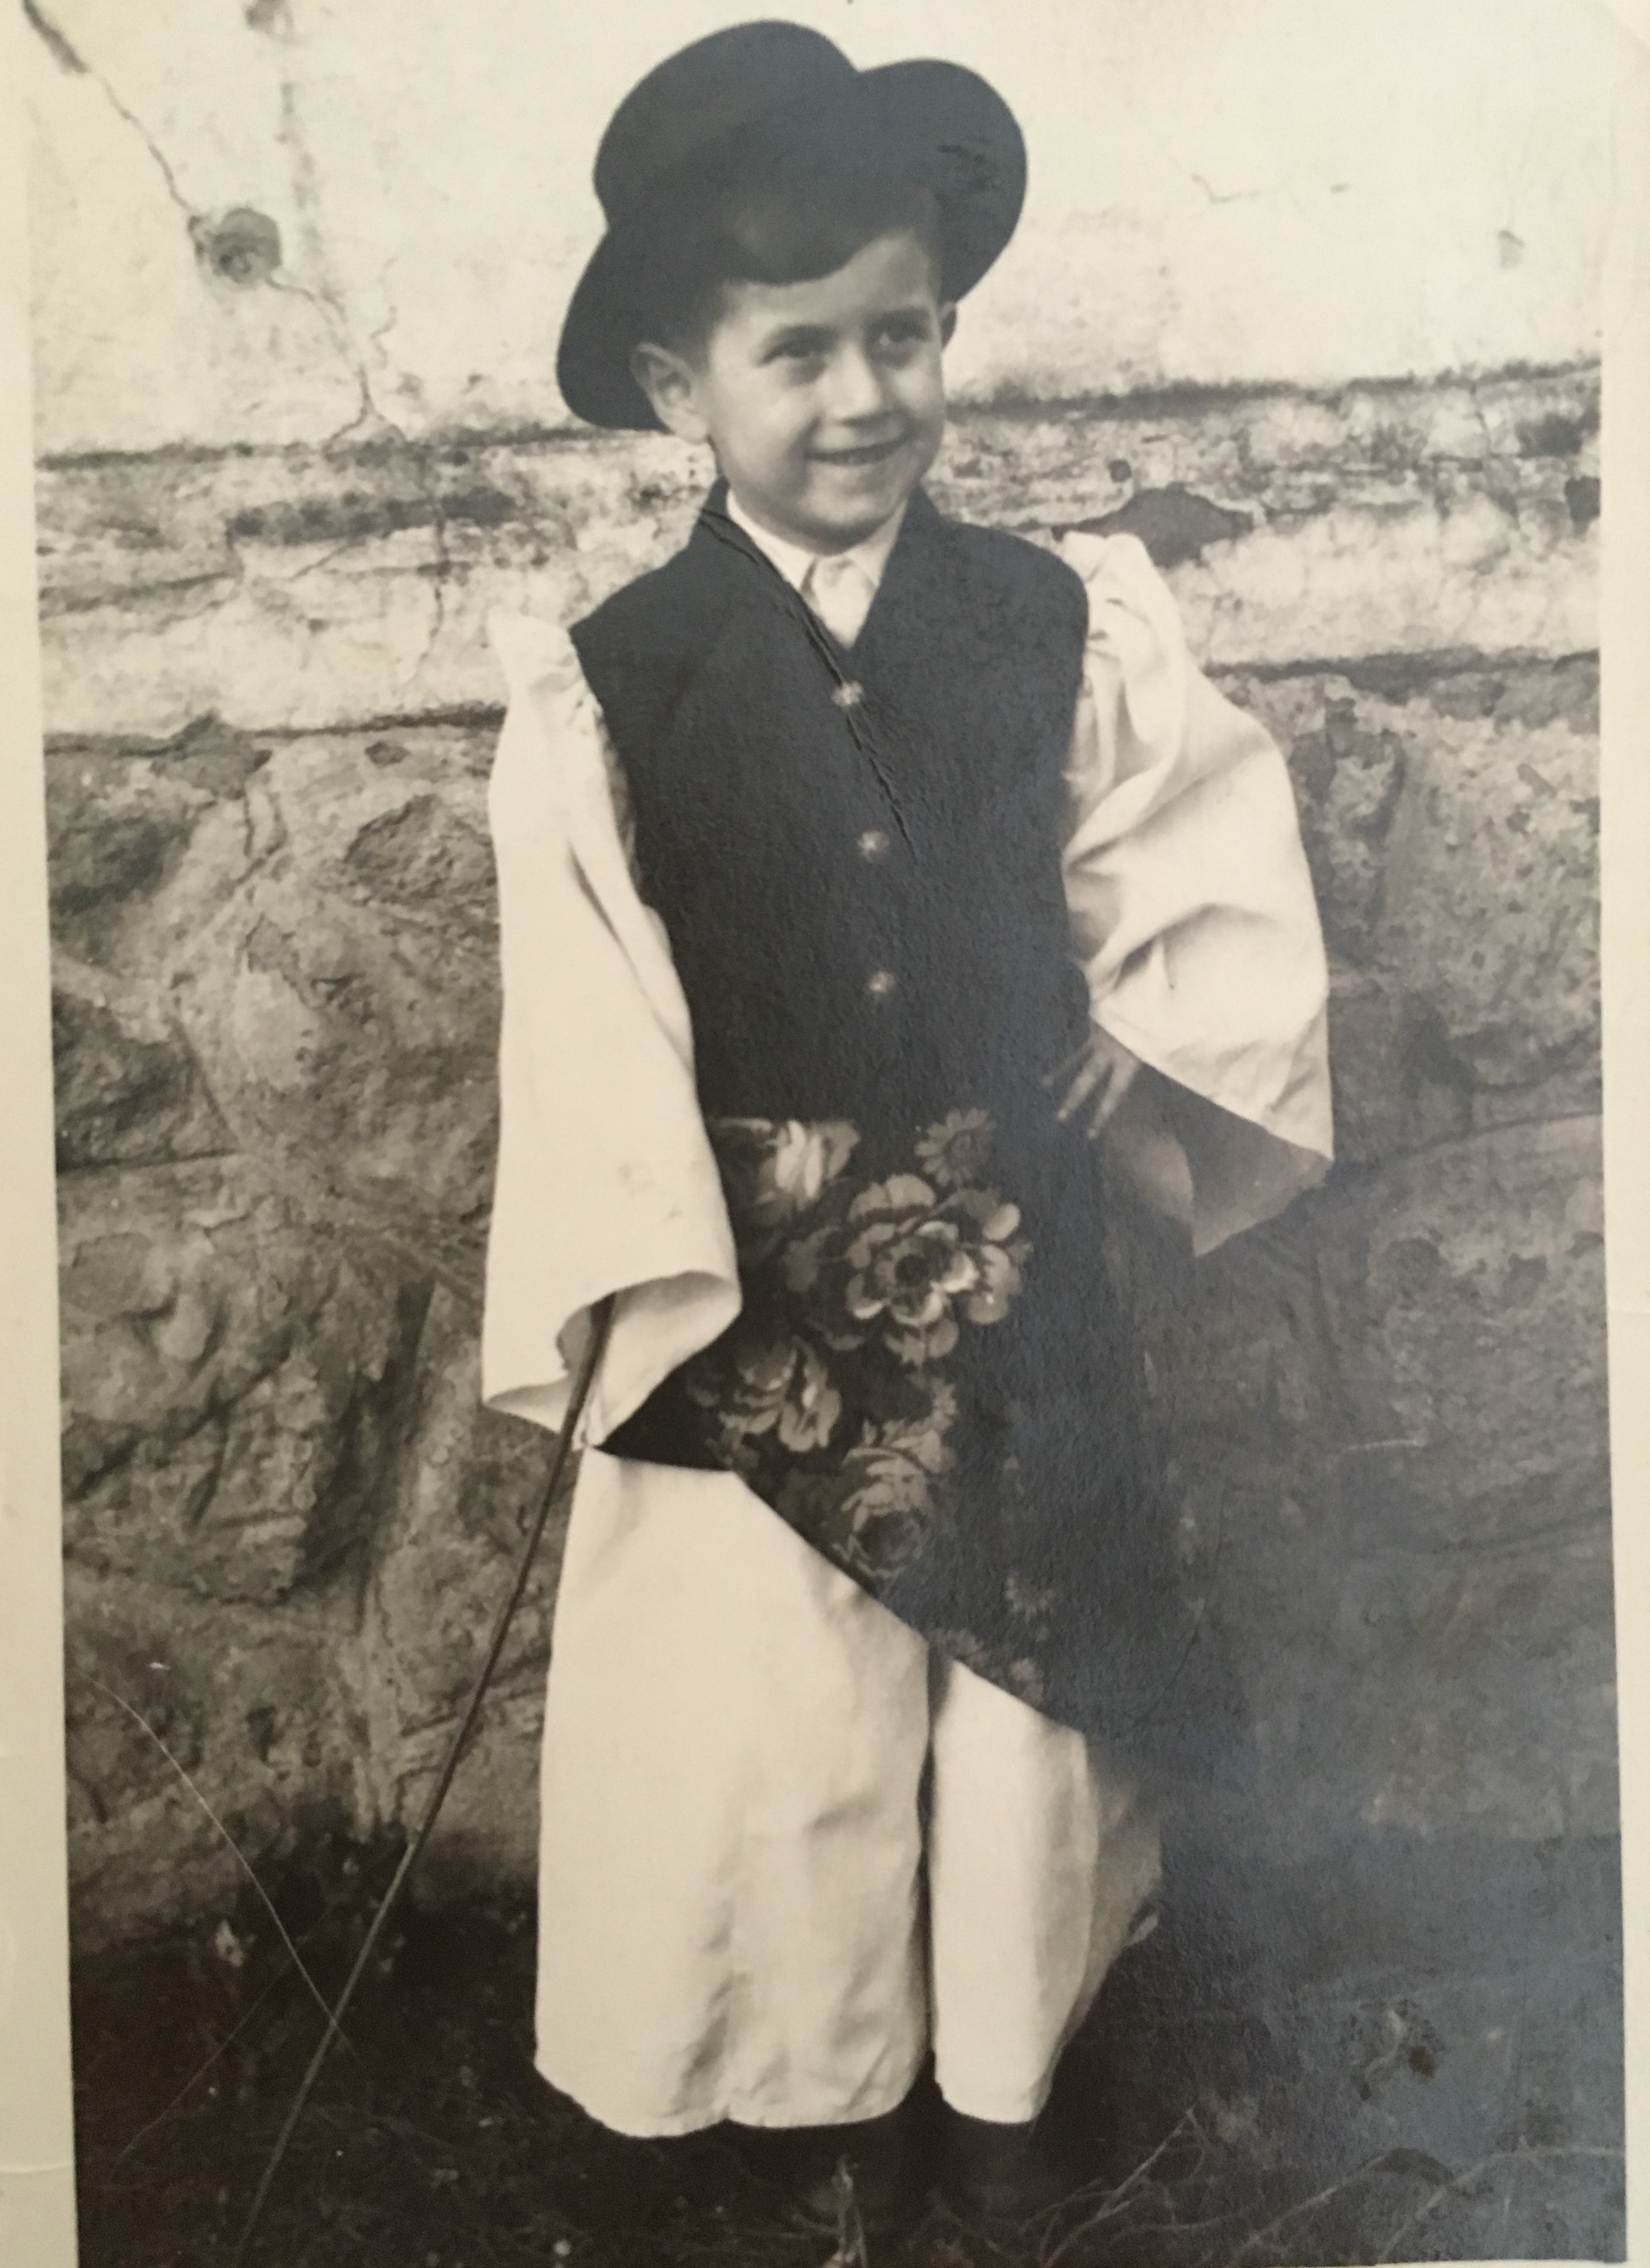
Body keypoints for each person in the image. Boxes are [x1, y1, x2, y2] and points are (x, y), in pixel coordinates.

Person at [480, 19, 1332, 2231]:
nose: (862, 395)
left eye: (903, 334)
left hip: (1011, 1254)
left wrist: (1141, 1024)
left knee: (1022, 1697)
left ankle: (1005, 2076)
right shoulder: (613, 685)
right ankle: (810, 2081)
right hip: (752, 1287)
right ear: (678, 385)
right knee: (781, 1713)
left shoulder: (1057, 620)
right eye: (796, 352)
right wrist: (645, 1254)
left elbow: (1176, 851)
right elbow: (591, 999)